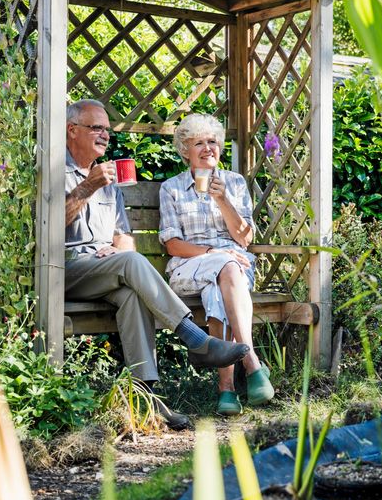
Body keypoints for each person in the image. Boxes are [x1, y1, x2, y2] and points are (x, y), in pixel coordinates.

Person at [63, 99, 251, 431]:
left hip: (105, 271)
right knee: (131, 264)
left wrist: (117, 249)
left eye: (107, 129)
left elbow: (124, 237)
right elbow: (49, 225)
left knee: (132, 295)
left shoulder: (108, 180)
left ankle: (146, 399)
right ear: (72, 130)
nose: (105, 135)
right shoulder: (55, 172)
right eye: (96, 128)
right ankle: (194, 338)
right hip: (65, 270)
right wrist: (88, 185)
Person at [158, 113, 275, 416]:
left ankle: (227, 389)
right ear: (185, 150)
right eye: (199, 143)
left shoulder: (234, 183)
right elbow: (173, 245)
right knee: (226, 265)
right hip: (190, 265)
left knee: (220, 287)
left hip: (234, 269)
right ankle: (252, 364)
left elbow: (245, 238)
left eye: (212, 141)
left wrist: (223, 201)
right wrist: (214, 252)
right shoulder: (171, 188)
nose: (208, 148)